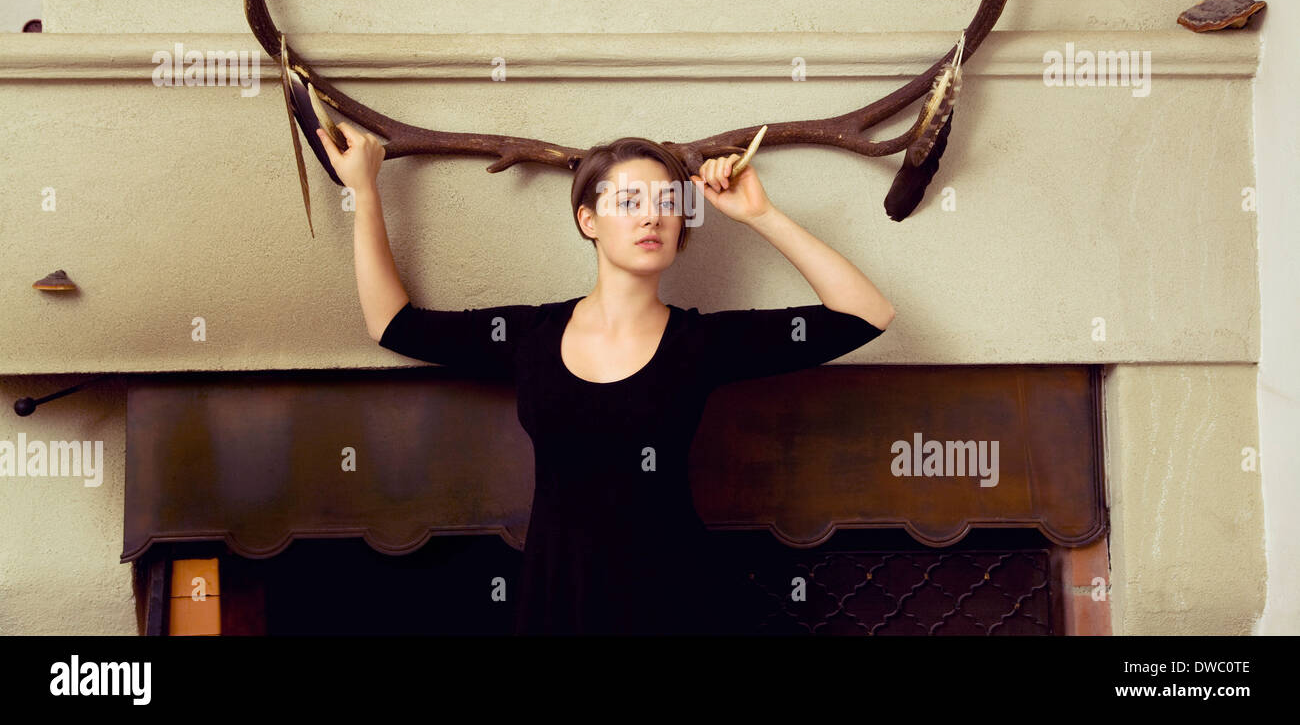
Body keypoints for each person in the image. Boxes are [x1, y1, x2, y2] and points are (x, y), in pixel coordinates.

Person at [317, 123, 895, 635]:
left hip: (676, 601)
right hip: (555, 598)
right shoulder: (529, 336)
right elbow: (392, 325)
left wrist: (760, 215)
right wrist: (364, 193)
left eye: (668, 202)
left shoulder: (702, 343)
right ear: (587, 221)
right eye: (629, 201)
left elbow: (867, 314)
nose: (652, 216)